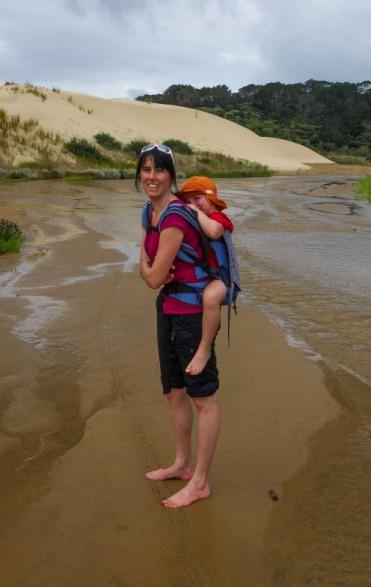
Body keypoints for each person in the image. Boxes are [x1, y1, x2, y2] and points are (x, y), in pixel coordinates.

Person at [136, 143, 220, 508]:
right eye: (146, 169)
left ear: (171, 176)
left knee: (204, 399)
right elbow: (145, 262)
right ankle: (183, 465)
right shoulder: (148, 213)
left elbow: (153, 275)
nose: (151, 177)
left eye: (159, 170)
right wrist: (146, 269)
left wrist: (146, 270)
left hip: (191, 313)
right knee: (174, 391)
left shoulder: (173, 217)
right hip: (167, 307)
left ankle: (200, 482)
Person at [177, 176, 234, 378]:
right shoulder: (197, 218)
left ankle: (204, 348)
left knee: (211, 297)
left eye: (197, 198)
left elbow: (214, 232)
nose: (193, 204)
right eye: (188, 201)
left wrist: (194, 212)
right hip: (204, 277)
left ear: (211, 198)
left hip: (221, 281)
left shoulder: (218, 218)